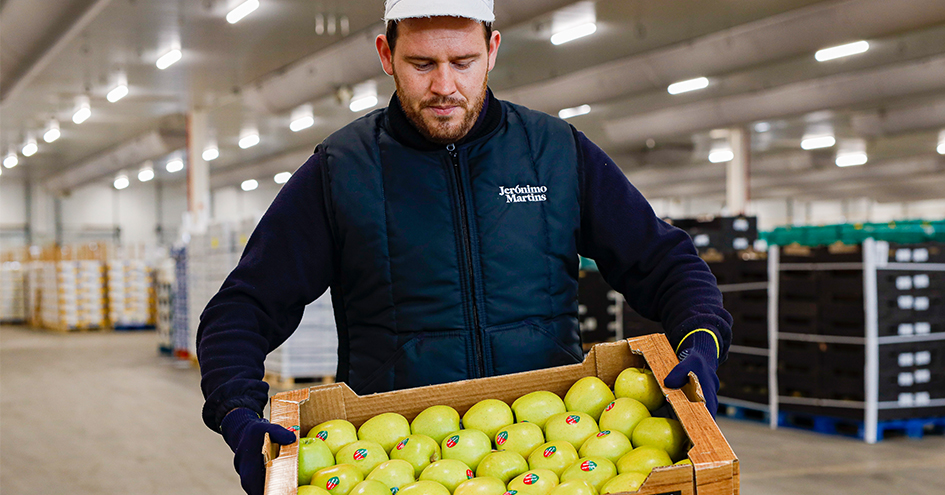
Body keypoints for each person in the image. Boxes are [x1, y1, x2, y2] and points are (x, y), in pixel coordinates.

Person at [197, 1, 732, 494]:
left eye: (464, 61)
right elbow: (246, 304)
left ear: (493, 51)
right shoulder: (342, 171)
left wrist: (701, 335)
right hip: (396, 462)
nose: (444, 85)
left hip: (557, 454)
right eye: (422, 63)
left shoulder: (554, 152)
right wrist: (236, 409)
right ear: (387, 55)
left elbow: (662, 260)